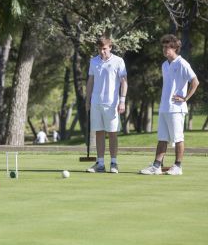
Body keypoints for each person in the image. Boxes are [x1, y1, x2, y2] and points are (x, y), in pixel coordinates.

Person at [139, 34, 199, 175]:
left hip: (176, 109)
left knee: (178, 138)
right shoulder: (165, 65)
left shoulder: (182, 63)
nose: (165, 50)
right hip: (164, 107)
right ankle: (156, 166)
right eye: (163, 47)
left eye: (168, 47)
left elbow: (195, 82)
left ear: (175, 48)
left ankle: (178, 166)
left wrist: (185, 98)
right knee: (162, 138)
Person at [85, 36, 128, 174]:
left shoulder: (118, 61)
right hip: (96, 102)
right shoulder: (93, 61)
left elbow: (124, 82)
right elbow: (90, 81)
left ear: (110, 47)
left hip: (112, 103)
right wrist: (87, 100)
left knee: (112, 133)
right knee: (99, 132)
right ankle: (100, 163)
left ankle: (114, 162)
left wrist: (122, 100)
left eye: (104, 48)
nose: (102, 51)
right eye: (99, 49)